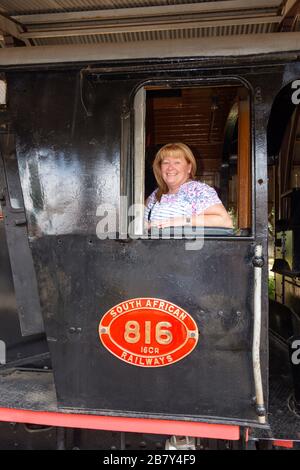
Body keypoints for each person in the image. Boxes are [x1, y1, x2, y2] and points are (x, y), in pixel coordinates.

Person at [144, 142, 233, 229]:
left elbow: (225, 221)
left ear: (189, 168)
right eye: (166, 162)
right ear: (160, 168)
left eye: (177, 162)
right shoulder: (156, 194)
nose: (170, 167)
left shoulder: (198, 190)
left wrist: (181, 221)